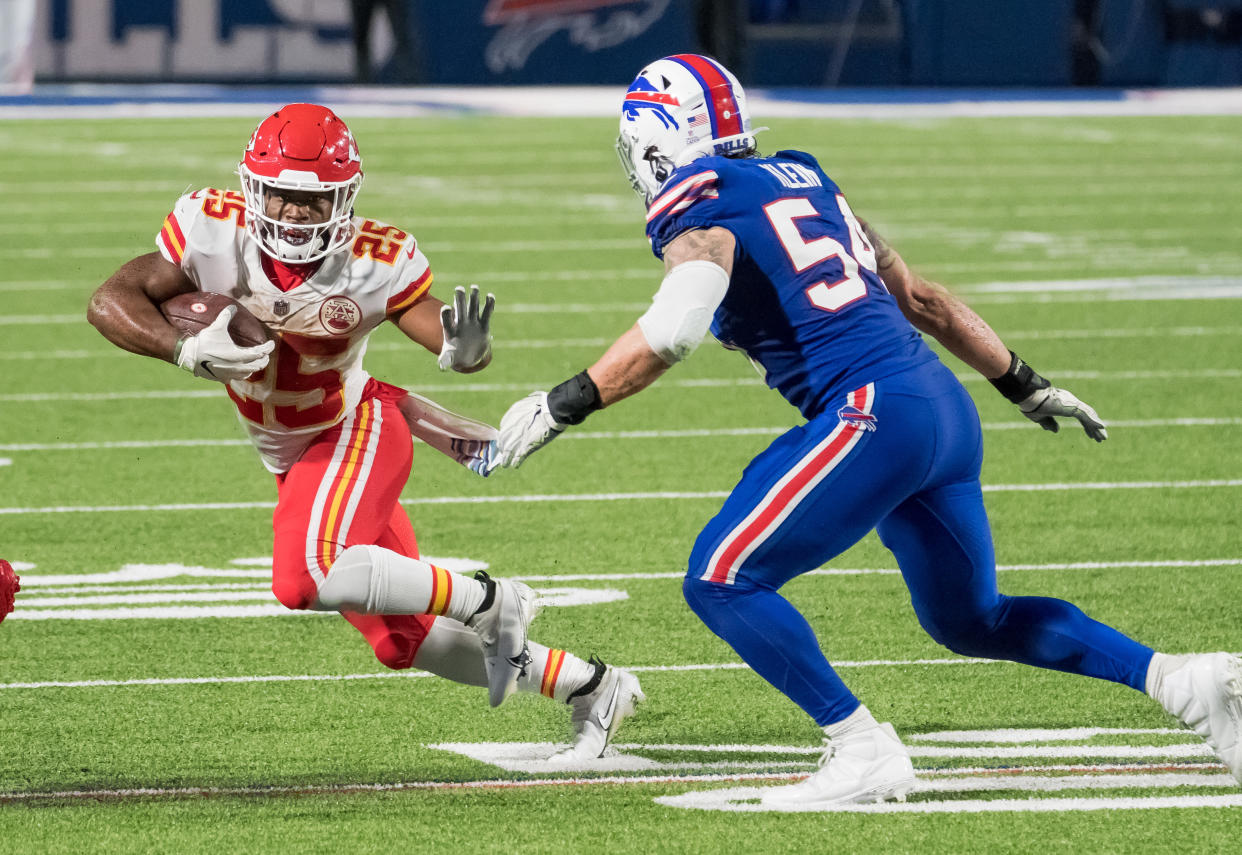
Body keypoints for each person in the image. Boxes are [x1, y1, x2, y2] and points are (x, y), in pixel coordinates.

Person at [490, 54, 1242, 803]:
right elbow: (923, 299)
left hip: (875, 411)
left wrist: (563, 403)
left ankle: (860, 746)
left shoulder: (702, 202)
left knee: (721, 577)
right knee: (970, 618)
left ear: (654, 140)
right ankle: (1179, 678)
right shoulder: (804, 176)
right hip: (942, 409)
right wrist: (1023, 382)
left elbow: (676, 328)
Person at [86, 103, 642, 762]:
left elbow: (438, 326)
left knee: (305, 577)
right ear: (253, 189)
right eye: (283, 197)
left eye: (311, 201)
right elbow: (109, 300)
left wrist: (465, 350)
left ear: (343, 201)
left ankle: (491, 599)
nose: (294, 214)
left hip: (357, 426)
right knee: (405, 641)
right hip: (292, 455)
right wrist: (180, 350)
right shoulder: (212, 228)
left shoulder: (374, 258)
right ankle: (591, 686)